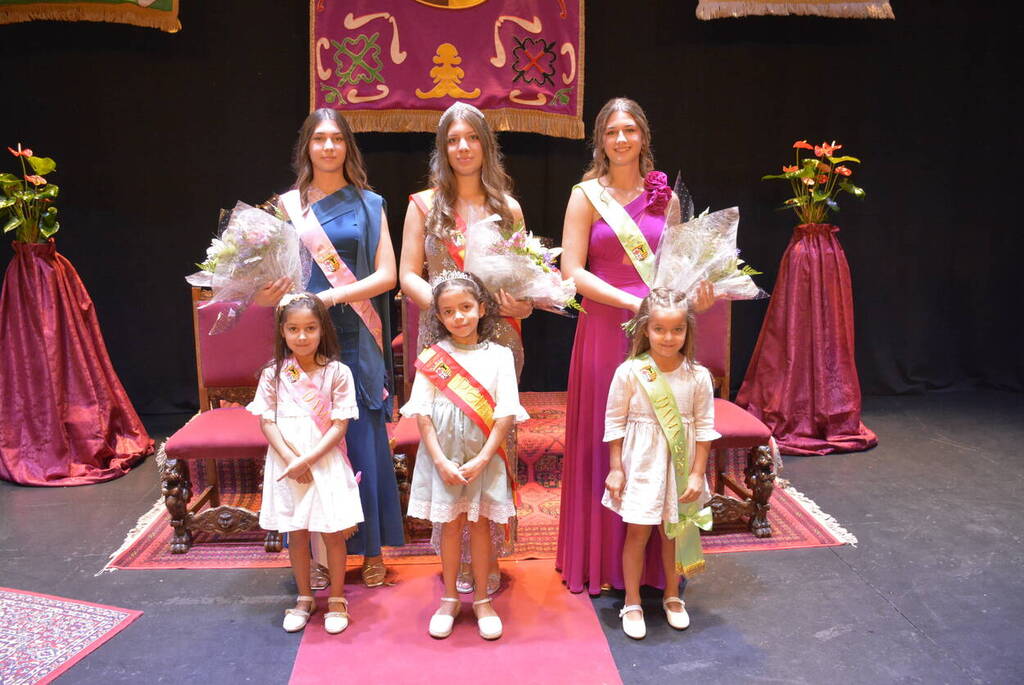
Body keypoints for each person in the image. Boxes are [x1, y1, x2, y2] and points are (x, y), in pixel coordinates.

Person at [556, 97, 714, 594]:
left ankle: (656, 571)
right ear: (600, 141)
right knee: (611, 432)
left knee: (659, 433)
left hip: (657, 331)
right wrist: (631, 301)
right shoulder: (585, 195)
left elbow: (676, 269)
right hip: (605, 325)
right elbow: (571, 271)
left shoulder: (666, 199)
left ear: (643, 136)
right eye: (611, 132)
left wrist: (697, 294)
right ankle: (602, 562)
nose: (621, 139)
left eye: (629, 130)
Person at [260, 108, 404, 588]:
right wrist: (265, 293)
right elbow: (268, 285)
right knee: (310, 439)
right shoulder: (285, 208)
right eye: (319, 139)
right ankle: (320, 557)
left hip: (356, 335)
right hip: (304, 341)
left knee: (362, 442)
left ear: (347, 147)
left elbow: (388, 276)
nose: (328, 147)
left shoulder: (370, 203)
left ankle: (372, 548)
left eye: (336, 139)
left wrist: (330, 298)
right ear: (306, 147)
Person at [399, 101, 532, 594]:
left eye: (472, 138)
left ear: (486, 145)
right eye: (453, 140)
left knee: (492, 445)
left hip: (498, 339)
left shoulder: (508, 209)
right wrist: (445, 306)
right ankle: (453, 556)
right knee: (448, 440)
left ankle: (489, 555)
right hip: (442, 335)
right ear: (443, 149)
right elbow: (407, 274)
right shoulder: (422, 206)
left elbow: (527, 279)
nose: (463, 147)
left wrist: (523, 304)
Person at [399, 272, 528, 640]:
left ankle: (483, 599)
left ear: (482, 308)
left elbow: (506, 413)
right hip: (444, 457)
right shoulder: (433, 357)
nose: (459, 316)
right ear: (439, 316)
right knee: (451, 525)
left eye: (466, 307)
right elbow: (423, 413)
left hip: (484, 457)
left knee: (481, 525)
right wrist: (440, 461)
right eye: (449, 311)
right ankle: (451, 598)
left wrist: (484, 459)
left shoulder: (500, 355)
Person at [602, 288, 718, 639]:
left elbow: (705, 429)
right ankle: (632, 601)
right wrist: (616, 468)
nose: (668, 338)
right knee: (637, 533)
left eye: (677, 330)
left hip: (679, 467)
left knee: (673, 532)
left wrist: (697, 474)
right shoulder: (629, 372)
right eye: (659, 329)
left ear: (688, 330)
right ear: (645, 329)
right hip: (641, 466)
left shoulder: (698, 376)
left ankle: (672, 595)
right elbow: (615, 424)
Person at [247, 292, 363, 634]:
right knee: (295, 532)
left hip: (323, 462)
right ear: (282, 331)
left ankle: (337, 598)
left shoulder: (337, 372)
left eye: (310, 328)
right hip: (287, 466)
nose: (302, 336)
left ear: (322, 329)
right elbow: (267, 421)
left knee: (332, 532)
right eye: (294, 329)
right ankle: (304, 596)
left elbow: (339, 425)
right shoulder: (273, 374)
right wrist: (291, 460)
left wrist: (308, 460)